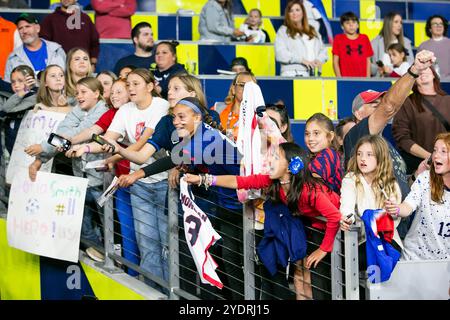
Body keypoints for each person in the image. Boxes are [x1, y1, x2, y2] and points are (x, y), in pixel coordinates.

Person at [183, 142, 342, 300]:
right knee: (302, 274)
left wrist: (323, 249)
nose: (270, 161)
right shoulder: (275, 182)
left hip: (333, 229)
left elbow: (335, 217)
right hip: (311, 225)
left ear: (290, 167)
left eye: (276, 157)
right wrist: (202, 179)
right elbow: (240, 182)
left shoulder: (309, 191)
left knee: (320, 281)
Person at [69, 68, 170, 290]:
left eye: (136, 84)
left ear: (150, 87)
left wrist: (114, 154)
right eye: (129, 84)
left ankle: (171, 293)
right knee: (147, 243)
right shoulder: (125, 109)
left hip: (163, 182)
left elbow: (142, 143)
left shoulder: (160, 105)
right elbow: (108, 139)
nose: (131, 88)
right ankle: (154, 292)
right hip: (139, 184)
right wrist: (84, 147)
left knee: (166, 245)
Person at [28, 77, 109, 260]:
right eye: (77, 92)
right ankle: (97, 249)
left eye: (83, 92)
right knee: (82, 218)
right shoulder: (77, 110)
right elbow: (63, 131)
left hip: (100, 179)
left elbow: (76, 134)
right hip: (80, 176)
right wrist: (40, 159)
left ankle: (114, 258)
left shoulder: (103, 111)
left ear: (97, 94)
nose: (79, 96)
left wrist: (43, 147)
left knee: (108, 221)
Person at [64, 78, 140, 274]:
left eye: (119, 91)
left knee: (141, 234)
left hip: (139, 179)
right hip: (120, 180)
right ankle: (126, 269)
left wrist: (94, 151)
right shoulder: (111, 113)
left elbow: (132, 147)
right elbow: (93, 132)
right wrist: (72, 141)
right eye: (112, 92)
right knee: (125, 229)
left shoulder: (136, 113)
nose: (113, 95)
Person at [385, 132, 450, 261]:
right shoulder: (426, 179)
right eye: (435, 150)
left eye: (444, 151)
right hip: (415, 259)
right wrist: (397, 209)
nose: (436, 155)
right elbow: (408, 205)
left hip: (445, 266)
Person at [392, 66, 449, 174]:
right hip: (418, 165)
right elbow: (402, 138)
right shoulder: (407, 103)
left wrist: (441, 157)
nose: (422, 72)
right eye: (419, 70)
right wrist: (430, 157)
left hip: (446, 165)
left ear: (433, 74)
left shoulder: (447, 100)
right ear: (414, 78)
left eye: (426, 68)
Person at [4, 13, 66, 82]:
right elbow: (9, 87)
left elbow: (67, 78)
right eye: (20, 28)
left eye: (27, 26)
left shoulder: (57, 50)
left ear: (37, 28)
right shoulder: (13, 58)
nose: (24, 31)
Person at [275, 0, 328, 77]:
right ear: (288, 14)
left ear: (303, 12)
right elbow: (280, 54)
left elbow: (323, 51)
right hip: (292, 73)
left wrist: (319, 60)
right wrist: (301, 60)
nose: (294, 13)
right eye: (291, 11)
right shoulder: (283, 31)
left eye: (297, 10)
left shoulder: (312, 30)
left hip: (313, 74)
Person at [40, 0, 99, 68]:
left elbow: (94, 43)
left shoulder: (86, 18)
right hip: (59, 67)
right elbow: (44, 44)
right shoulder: (50, 19)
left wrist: (93, 64)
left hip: (82, 67)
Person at [0, 65, 37, 154]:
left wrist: (26, 90)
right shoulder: (12, 97)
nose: (16, 85)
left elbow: (8, 110)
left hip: (30, 147)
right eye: (13, 82)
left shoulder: (36, 97)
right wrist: (22, 92)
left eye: (20, 81)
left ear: (30, 81)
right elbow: (4, 110)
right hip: (11, 147)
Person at [304, 113, 342, 194]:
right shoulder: (314, 156)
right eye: (307, 134)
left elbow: (310, 186)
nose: (310, 138)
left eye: (316, 133)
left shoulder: (328, 154)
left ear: (330, 136)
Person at [370, 12, 414, 77]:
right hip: (381, 80)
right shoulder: (375, 42)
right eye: (396, 22)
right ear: (388, 24)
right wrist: (380, 69)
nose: (399, 25)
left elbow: (411, 64)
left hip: (401, 81)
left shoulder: (406, 42)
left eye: (401, 22)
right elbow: (370, 65)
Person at [332, 11, 373, 77]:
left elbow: (368, 60)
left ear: (358, 25)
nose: (351, 25)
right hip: (345, 79)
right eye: (347, 23)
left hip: (363, 78)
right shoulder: (338, 39)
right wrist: (339, 78)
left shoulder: (364, 38)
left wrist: (368, 78)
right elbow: (335, 61)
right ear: (342, 26)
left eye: (353, 22)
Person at [220, 71, 257, 141]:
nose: (246, 89)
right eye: (242, 85)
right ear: (233, 89)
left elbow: (263, 146)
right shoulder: (218, 110)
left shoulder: (260, 116)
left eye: (250, 86)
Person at [418, 15, 449, 79]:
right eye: (435, 24)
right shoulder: (423, 46)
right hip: (429, 81)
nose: (439, 26)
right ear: (430, 29)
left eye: (441, 24)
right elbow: (419, 67)